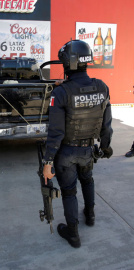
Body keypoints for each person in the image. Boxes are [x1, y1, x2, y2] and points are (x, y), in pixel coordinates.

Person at [43, 40, 113, 248]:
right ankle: (90, 216)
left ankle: (72, 233)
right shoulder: (102, 87)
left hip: (66, 152)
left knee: (69, 191)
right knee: (88, 180)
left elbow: (55, 132)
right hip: (88, 149)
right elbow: (106, 124)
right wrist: (105, 146)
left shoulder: (61, 93)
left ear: (68, 64)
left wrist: (48, 162)